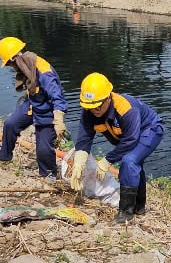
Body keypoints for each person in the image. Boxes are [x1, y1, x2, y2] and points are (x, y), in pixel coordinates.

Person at [69, 73, 163, 224]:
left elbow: (131, 140)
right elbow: (84, 138)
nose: (95, 110)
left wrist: (107, 160)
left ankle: (126, 211)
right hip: (127, 136)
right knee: (134, 164)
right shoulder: (89, 111)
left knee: (130, 161)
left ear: (108, 98)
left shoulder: (125, 108)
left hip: (149, 130)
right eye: (91, 106)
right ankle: (139, 207)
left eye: (98, 105)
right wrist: (79, 161)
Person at [0, 36, 68, 180]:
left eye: (10, 64)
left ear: (15, 59)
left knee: (43, 148)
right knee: (10, 124)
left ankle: (49, 175)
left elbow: (57, 95)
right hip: (32, 104)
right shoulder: (27, 65)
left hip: (48, 112)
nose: (11, 68)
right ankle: (4, 157)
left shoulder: (44, 71)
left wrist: (59, 118)